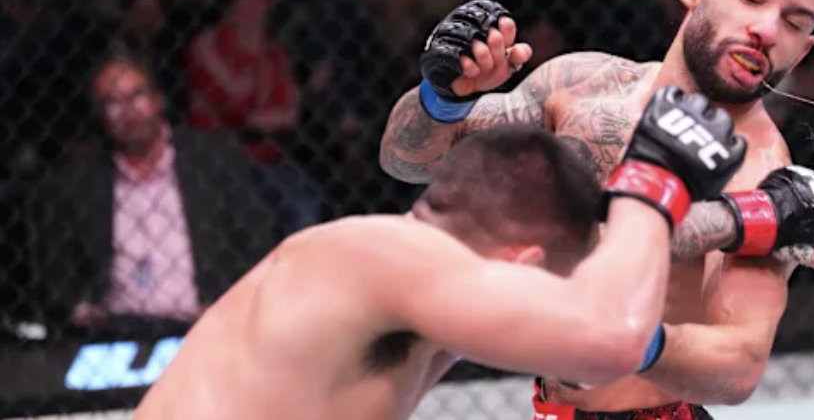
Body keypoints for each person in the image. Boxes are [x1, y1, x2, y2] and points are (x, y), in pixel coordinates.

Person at [379, 0, 814, 416]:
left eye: (793, 23)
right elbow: (408, 161)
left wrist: (621, 339)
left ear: (804, 50)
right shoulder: (582, 84)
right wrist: (444, 97)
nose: (767, 30)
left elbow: (738, 368)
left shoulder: (762, 173)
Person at [132, 85, 751, 420]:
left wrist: (750, 217)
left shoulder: (405, 296)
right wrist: (652, 182)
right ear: (523, 264)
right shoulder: (381, 255)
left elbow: (586, 356)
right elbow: (608, 342)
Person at [26, 54, 276, 335]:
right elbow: (58, 272)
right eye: (112, 102)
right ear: (100, 114)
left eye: (137, 96)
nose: (129, 112)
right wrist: (87, 314)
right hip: (117, 331)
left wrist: (229, 306)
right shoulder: (79, 182)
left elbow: (256, 239)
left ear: (158, 99)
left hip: (207, 324)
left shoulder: (212, 159)